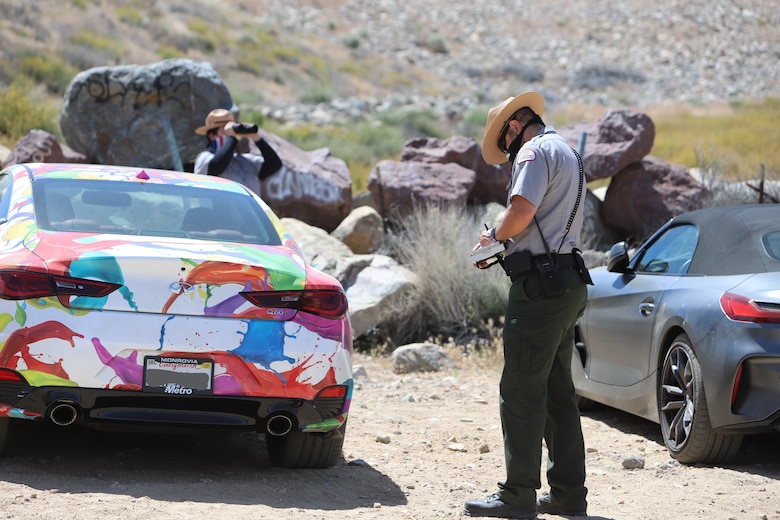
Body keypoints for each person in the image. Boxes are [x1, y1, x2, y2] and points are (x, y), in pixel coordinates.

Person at [465, 91, 591, 519]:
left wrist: (494, 240)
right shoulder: (568, 151)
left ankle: (516, 495)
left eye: (506, 143)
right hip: (569, 281)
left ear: (515, 127)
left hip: (540, 287)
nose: (508, 152)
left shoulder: (535, 153)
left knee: (520, 390)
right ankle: (568, 496)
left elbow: (521, 211)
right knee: (558, 392)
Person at [193, 108, 283, 193]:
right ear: (212, 135)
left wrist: (256, 138)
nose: (230, 134)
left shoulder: (244, 161)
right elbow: (217, 166)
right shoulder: (204, 157)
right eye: (225, 130)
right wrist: (231, 138)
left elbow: (275, 165)